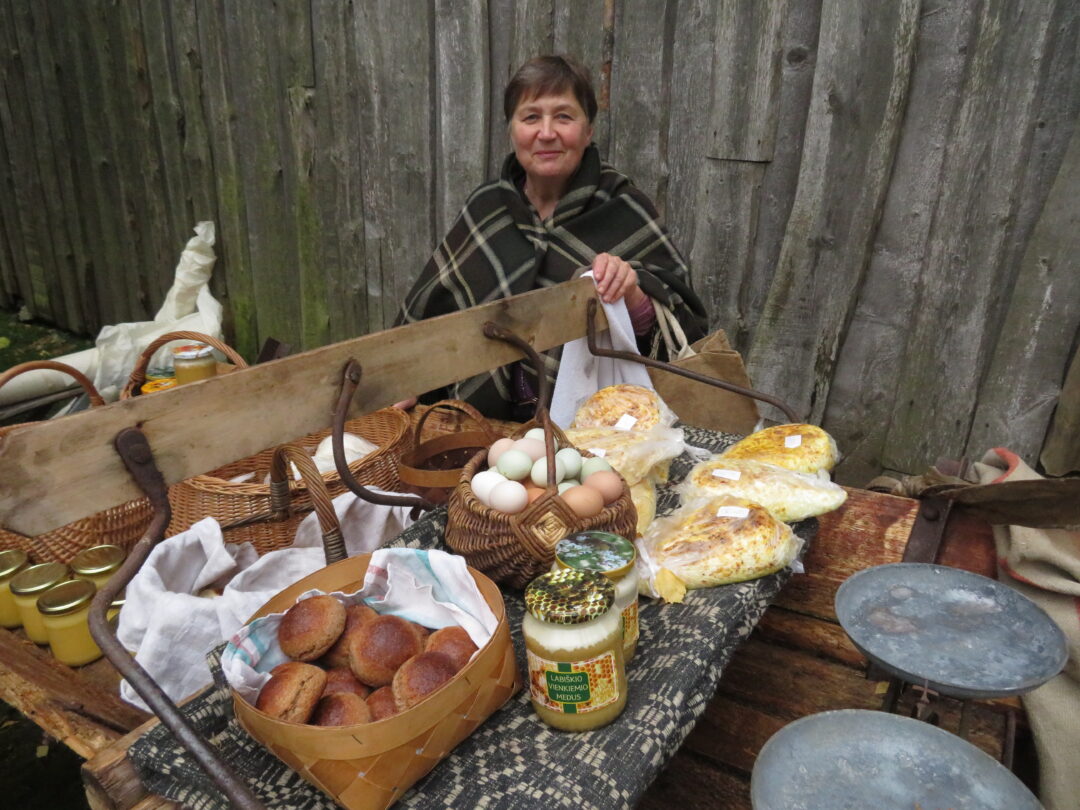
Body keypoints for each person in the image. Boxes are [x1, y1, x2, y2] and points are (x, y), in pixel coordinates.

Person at [395, 55, 708, 420]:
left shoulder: (624, 209)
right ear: (512, 131)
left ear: (588, 131)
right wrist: (407, 378)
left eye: (563, 116)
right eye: (530, 117)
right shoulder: (487, 208)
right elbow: (431, 317)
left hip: (592, 430)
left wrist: (633, 296)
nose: (546, 133)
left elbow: (683, 336)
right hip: (473, 425)